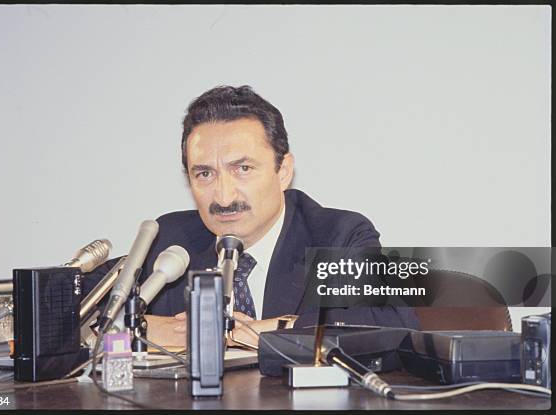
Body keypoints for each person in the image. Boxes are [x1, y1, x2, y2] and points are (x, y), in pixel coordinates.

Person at [85, 85, 419, 347]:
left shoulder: (335, 235)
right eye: (204, 174)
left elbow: (392, 323)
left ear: (283, 171)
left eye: (242, 169)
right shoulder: (172, 241)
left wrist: (266, 330)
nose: (224, 196)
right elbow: (67, 304)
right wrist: (138, 325)